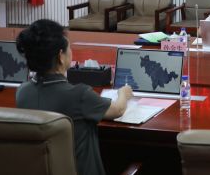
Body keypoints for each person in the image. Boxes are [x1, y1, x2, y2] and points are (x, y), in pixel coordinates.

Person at [15, 19, 133, 175]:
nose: (71, 52)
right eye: (69, 48)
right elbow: (118, 110)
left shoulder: (22, 92)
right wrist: (123, 93)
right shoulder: (79, 95)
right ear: (60, 56)